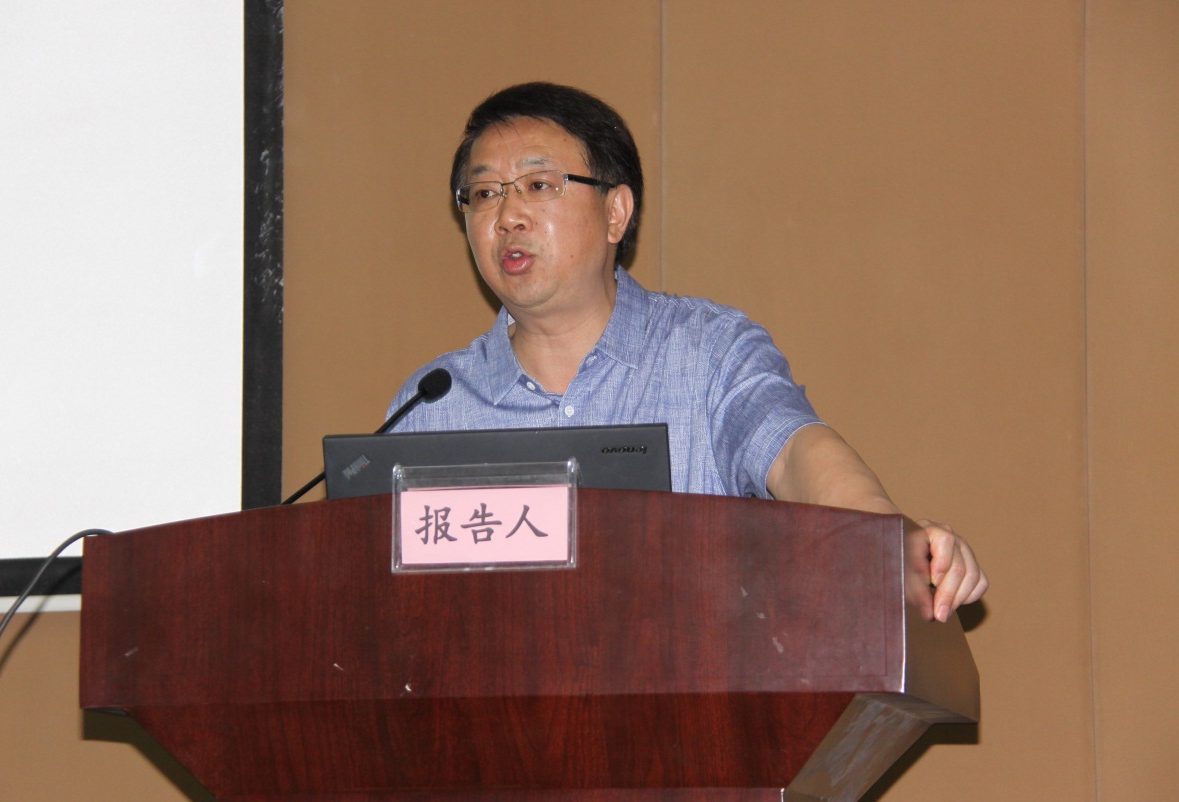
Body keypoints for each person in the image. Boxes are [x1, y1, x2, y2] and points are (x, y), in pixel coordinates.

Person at [388, 82, 987, 621]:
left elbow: (792, 452)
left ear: (616, 212)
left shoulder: (707, 353)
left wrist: (889, 542)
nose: (507, 216)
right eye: (484, 193)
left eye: (539, 185)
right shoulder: (430, 407)